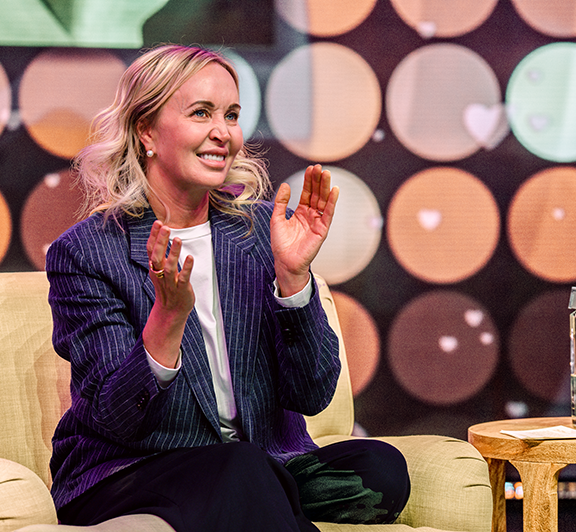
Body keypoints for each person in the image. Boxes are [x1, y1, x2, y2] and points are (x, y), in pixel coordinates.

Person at [45, 44, 410, 532]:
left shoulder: (263, 232)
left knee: (381, 472)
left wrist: (294, 280)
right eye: (201, 113)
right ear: (146, 130)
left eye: (232, 115)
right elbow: (116, 418)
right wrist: (167, 320)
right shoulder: (89, 253)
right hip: (131, 469)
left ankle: (258, 504)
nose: (224, 133)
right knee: (241, 469)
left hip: (260, 460)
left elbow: (313, 393)